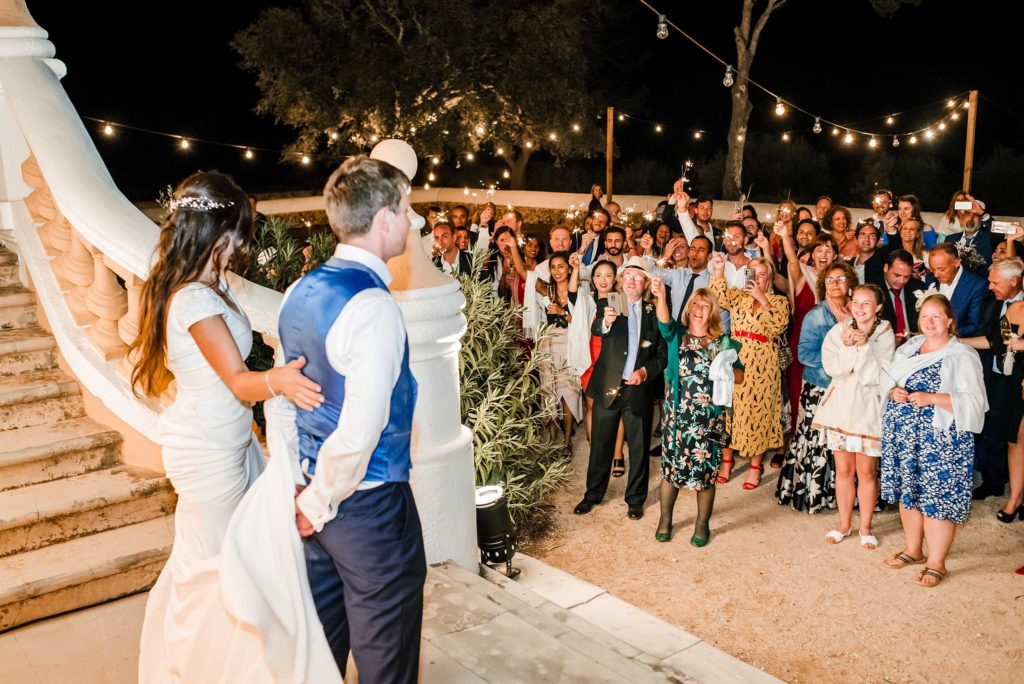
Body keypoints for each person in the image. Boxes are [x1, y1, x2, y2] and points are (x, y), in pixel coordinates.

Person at [133, 171, 328, 681]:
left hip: (234, 441)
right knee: (219, 572)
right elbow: (240, 382)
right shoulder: (194, 300)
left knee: (242, 564)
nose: (243, 243)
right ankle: (196, 666)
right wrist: (281, 380)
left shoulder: (210, 284)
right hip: (207, 452)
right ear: (216, 232)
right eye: (239, 231)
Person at [277, 155, 428, 678]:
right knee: (387, 661)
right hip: (366, 508)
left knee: (321, 650)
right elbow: (361, 431)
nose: (411, 221)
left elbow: (286, 397)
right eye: (407, 209)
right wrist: (317, 502)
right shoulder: (373, 308)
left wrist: (300, 486)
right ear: (384, 217)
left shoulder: (300, 291)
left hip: (313, 494)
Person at [880, 294, 987, 587]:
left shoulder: (962, 356)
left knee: (937, 498)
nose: (928, 322)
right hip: (904, 436)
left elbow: (975, 401)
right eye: (924, 316)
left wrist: (932, 399)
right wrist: (893, 392)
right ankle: (913, 550)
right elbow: (886, 379)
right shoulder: (909, 349)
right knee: (909, 493)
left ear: (950, 321)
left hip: (941, 440)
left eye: (936, 316)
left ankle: (937, 562)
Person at [650, 279, 743, 546]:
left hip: (711, 418)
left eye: (705, 304)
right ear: (689, 308)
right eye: (695, 304)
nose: (699, 308)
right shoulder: (677, 335)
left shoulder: (724, 343)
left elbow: (740, 378)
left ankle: (702, 524)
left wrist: (727, 368)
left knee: (706, 473)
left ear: (712, 310)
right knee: (671, 471)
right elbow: (664, 322)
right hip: (677, 415)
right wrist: (660, 296)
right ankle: (665, 520)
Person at [574, 258, 667, 519]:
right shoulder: (608, 303)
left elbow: (661, 354)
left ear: (645, 283)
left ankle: (636, 499)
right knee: (600, 444)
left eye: (638, 278)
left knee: (638, 447)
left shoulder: (653, 312)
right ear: (621, 280)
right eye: (628, 277)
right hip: (607, 386)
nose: (632, 281)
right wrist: (605, 323)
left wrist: (645, 372)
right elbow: (596, 328)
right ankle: (592, 494)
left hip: (638, 389)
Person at [812, 284, 895, 548]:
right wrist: (849, 347)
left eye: (866, 303)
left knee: (867, 471)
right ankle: (844, 524)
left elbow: (872, 377)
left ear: (878, 307)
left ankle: (866, 527)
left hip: (868, 411)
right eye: (856, 302)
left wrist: (865, 347)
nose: (860, 308)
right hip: (842, 409)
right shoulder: (839, 330)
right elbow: (833, 367)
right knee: (844, 470)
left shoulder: (885, 334)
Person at [777, 261, 858, 513]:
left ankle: (843, 496)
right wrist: (839, 365)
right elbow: (804, 354)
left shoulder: (858, 312)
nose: (835, 284)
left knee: (843, 441)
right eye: (830, 280)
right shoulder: (816, 315)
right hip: (820, 387)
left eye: (841, 279)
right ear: (823, 286)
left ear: (850, 283)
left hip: (851, 388)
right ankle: (810, 493)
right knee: (815, 441)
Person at [709, 253, 791, 489]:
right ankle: (727, 461)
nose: (756, 278)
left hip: (764, 363)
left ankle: (755, 466)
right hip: (735, 359)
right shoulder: (738, 297)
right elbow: (717, 297)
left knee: (759, 412)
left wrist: (762, 299)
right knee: (728, 411)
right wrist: (718, 270)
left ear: (769, 278)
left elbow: (777, 327)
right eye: (751, 273)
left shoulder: (779, 302)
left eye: (761, 275)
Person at [962, 257, 1024, 513]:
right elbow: (997, 342)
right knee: (1014, 442)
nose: (989, 287)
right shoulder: (1011, 310)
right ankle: (1014, 500)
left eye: (995, 282)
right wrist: (954, 342)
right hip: (1009, 384)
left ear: (1014, 281)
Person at [776, 224, 840, 442]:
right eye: (819, 249)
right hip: (801, 344)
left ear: (835, 255)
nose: (823, 254)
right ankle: (797, 441)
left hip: (832, 347)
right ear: (812, 254)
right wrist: (785, 235)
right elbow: (792, 260)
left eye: (829, 250)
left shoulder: (842, 281)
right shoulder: (804, 275)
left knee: (828, 396)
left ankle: (823, 444)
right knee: (797, 393)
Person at [573, 259, 626, 474]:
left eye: (608, 275)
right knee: (593, 407)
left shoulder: (621, 301)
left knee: (617, 408)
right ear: (592, 280)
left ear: (615, 280)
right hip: (591, 360)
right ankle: (597, 455)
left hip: (613, 361)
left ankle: (617, 454)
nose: (603, 280)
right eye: (598, 275)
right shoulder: (586, 300)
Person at [540, 251, 584, 455]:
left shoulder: (579, 292)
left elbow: (582, 323)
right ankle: (551, 439)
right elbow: (526, 273)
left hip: (570, 344)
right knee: (549, 391)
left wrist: (562, 313)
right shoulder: (546, 290)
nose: (557, 271)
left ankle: (567, 441)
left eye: (561, 266)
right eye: (553, 267)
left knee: (569, 393)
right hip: (548, 343)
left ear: (568, 268)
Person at [926, 242, 989, 337]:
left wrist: (945, 334)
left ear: (956, 263)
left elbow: (973, 325)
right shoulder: (930, 278)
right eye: (932, 269)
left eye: (941, 269)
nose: (936, 274)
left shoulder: (977, 285)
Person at [874, 249, 925, 345]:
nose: (901, 281)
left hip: (916, 347)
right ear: (886, 267)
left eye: (907, 277)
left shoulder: (919, 287)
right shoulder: (873, 290)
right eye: (897, 275)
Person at [851, 220, 883, 284]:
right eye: (863, 235)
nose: (867, 239)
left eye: (872, 236)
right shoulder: (848, 265)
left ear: (878, 241)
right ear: (856, 240)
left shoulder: (883, 263)